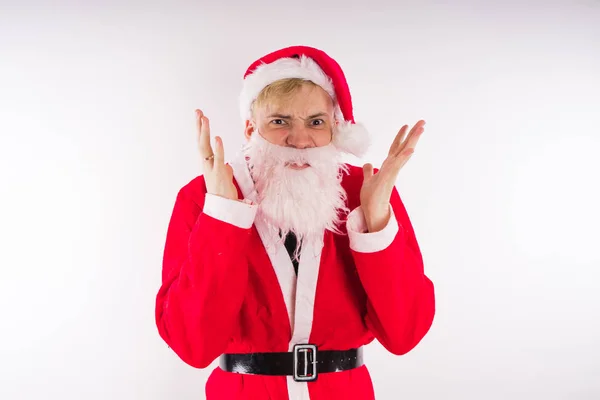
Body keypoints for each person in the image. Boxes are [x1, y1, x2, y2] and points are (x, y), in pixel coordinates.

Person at [155, 45, 435, 400]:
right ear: (249, 127)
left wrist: (377, 222)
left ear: (334, 127)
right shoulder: (205, 196)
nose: (300, 140)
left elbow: (404, 334)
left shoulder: (366, 190)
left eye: (315, 122)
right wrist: (222, 218)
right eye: (279, 121)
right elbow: (192, 345)